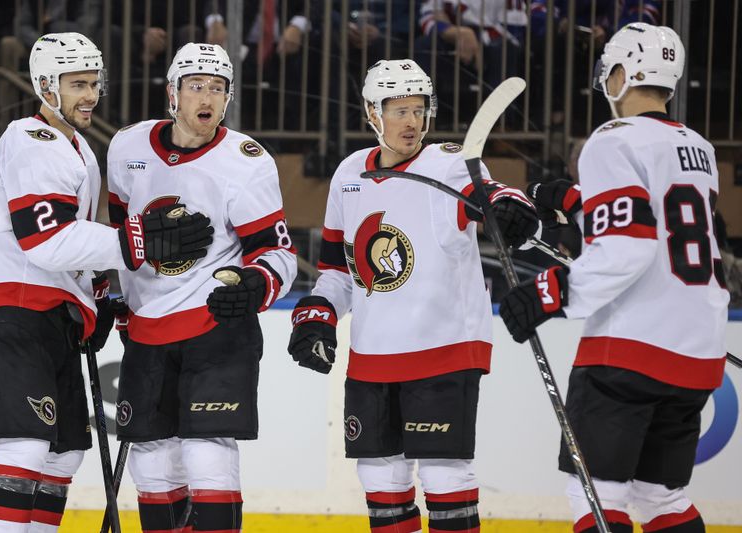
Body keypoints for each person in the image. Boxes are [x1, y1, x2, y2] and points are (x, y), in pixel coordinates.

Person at [0, 32, 212, 533]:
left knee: (62, 454)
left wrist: (96, 299)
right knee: (25, 445)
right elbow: (45, 241)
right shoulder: (29, 139)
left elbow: (74, 249)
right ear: (45, 86)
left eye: (94, 83)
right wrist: (137, 240)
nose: (90, 94)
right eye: (76, 84)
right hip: (11, 302)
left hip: (52, 309)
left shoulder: (82, 152)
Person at [288, 59, 539, 533]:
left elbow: (490, 191)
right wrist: (318, 312)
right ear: (371, 112)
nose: (411, 121)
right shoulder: (347, 174)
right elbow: (338, 270)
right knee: (379, 476)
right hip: (372, 355)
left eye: (419, 109)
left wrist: (510, 206)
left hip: (442, 350)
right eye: (398, 109)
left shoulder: (448, 161)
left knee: (445, 476)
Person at [500, 23, 729, 533]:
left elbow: (628, 247)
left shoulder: (613, 139)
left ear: (624, 74)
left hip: (630, 349)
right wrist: (577, 206)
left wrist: (550, 291)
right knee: (661, 497)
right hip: (697, 350)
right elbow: (659, 229)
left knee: (597, 496)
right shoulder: (701, 148)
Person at [107, 43, 297, 532]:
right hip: (146, 328)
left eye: (217, 87)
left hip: (216, 326)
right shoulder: (126, 148)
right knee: (151, 464)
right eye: (196, 86)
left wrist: (257, 284)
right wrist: (107, 300)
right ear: (172, 93)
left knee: (208, 453)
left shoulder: (246, 161)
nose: (206, 96)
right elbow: (110, 237)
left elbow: (277, 253)